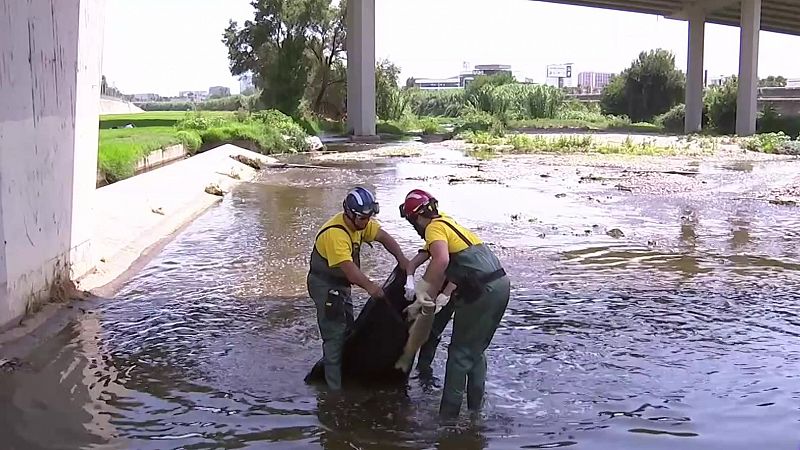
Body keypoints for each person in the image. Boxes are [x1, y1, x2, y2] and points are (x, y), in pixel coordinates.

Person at [401, 188, 510, 418]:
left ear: (415, 218)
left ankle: (447, 421)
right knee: (476, 351)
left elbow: (441, 260)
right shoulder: (446, 222)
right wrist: (437, 289)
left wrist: (423, 294)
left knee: (459, 354)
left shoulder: (433, 228)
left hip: (482, 291)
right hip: (499, 285)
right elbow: (446, 260)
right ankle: (474, 413)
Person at [307, 186, 410, 391]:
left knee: (348, 329)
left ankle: (345, 374)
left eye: (369, 217)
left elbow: (385, 238)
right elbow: (350, 271)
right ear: (350, 215)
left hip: (341, 286)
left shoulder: (361, 225)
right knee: (334, 337)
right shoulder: (335, 235)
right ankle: (334, 393)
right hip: (326, 286)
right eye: (364, 218)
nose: (367, 222)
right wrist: (372, 288)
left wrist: (402, 259)